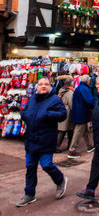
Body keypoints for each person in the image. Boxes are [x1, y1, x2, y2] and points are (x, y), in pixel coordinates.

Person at [16, 77, 67, 207]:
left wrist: (48, 114)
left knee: (46, 165)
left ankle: (60, 180)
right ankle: (29, 194)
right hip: (31, 139)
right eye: (40, 84)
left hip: (46, 139)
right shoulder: (33, 98)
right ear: (37, 86)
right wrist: (24, 115)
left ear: (50, 86)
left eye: (46, 84)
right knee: (30, 167)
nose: (43, 86)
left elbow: (63, 115)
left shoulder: (55, 99)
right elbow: (25, 110)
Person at [68, 75, 94, 158]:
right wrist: (95, 106)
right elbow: (89, 101)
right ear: (88, 81)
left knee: (84, 130)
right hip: (82, 112)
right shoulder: (85, 89)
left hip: (78, 112)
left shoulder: (79, 88)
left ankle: (90, 146)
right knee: (78, 131)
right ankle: (72, 150)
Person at [56, 78, 74, 153]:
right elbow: (71, 103)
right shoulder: (70, 93)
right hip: (67, 112)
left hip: (61, 110)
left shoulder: (61, 90)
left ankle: (69, 144)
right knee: (63, 130)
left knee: (67, 130)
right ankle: (56, 146)